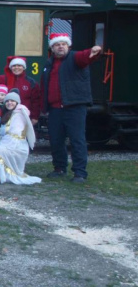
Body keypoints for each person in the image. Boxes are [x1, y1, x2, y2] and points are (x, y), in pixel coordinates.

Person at [40, 33, 102, 183]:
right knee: (56, 140)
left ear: (68, 46)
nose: (60, 46)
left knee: (77, 140)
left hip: (74, 106)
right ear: (52, 48)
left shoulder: (75, 58)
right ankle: (59, 168)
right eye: (57, 44)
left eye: (63, 44)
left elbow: (85, 57)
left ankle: (80, 173)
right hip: (55, 109)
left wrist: (93, 51)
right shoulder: (49, 64)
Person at [0, 91, 41, 185]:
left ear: (17, 102)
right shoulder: (9, 113)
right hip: (8, 141)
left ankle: (4, 175)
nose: (9, 103)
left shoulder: (21, 113)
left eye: (12, 101)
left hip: (17, 144)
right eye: (7, 101)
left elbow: (15, 132)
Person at [0, 57, 41, 123]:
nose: (16, 68)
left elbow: (36, 101)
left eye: (19, 66)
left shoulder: (31, 82)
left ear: (24, 67)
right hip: (7, 115)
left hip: (25, 115)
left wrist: (34, 117)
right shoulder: (6, 79)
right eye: (14, 66)